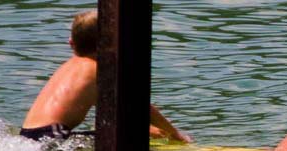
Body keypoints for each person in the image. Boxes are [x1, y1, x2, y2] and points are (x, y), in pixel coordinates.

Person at [21, 9, 190, 143]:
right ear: (112, 43)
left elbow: (110, 118)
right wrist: (175, 135)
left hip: (26, 136)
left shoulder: (68, 67)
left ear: (71, 43)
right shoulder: (99, 70)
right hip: (53, 135)